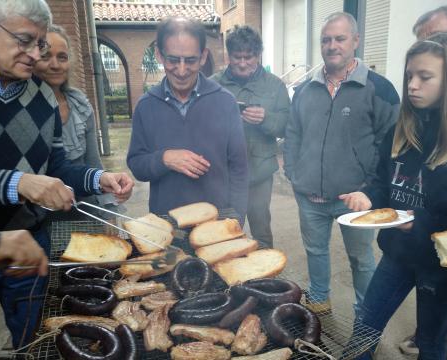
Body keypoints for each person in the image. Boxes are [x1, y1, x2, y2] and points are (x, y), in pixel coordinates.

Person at [0, 0, 134, 348]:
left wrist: (97, 178)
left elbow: (54, 166)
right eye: (24, 39)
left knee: (32, 335)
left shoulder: (43, 96)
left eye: (39, 42)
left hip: (30, 242)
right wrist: (19, 182)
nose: (34, 53)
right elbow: (27, 179)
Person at [341, 32, 447, 360]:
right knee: (365, 327)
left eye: (425, 77)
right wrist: (368, 197)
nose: (412, 85)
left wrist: (420, 224)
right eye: (410, 75)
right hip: (397, 255)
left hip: (442, 268)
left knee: (430, 343)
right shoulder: (403, 127)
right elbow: (382, 181)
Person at [283, 12, 399, 315]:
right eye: (326, 39)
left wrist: (373, 188)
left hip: (356, 199)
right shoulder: (305, 89)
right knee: (315, 251)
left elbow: (392, 144)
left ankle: (367, 313)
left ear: (356, 41)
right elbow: (293, 133)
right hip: (311, 196)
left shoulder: (379, 89)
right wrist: (293, 172)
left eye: (339, 38)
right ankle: (319, 302)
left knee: (361, 259)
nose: (331, 45)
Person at [397, 5, 447, 358]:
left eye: (424, 77)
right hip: (430, 255)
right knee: (435, 334)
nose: (413, 86)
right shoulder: (422, 119)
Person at [127, 17, 248, 222]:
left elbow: (239, 168)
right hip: (165, 223)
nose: (182, 70)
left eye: (190, 60)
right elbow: (137, 164)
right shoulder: (146, 106)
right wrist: (164, 159)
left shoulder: (225, 102)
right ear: (159, 54)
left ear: (203, 57)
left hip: (216, 222)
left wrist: (236, 217)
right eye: (173, 60)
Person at [211, 25, 290, 248]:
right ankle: (227, 279)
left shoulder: (275, 85)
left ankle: (265, 278)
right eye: (237, 57)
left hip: (260, 173)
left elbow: (287, 126)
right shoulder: (212, 85)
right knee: (225, 230)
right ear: (228, 55)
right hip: (224, 173)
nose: (243, 63)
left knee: (261, 229)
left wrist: (266, 118)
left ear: (258, 55)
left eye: (249, 57)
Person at [33, 24, 118, 220]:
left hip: (83, 211)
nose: (55, 65)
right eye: (46, 56)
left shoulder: (80, 106)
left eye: (62, 57)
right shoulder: (24, 110)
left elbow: (93, 163)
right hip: (39, 219)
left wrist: (109, 209)